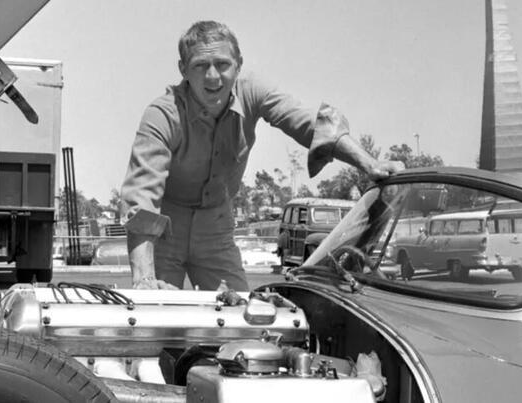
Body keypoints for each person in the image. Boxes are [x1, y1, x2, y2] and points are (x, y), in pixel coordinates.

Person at [121, 20, 403, 291]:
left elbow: (310, 124)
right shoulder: (161, 114)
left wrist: (369, 163)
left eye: (222, 64)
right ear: (183, 69)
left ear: (239, 64)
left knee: (239, 311)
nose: (212, 77)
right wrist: (144, 279)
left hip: (216, 230)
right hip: (164, 233)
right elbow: (142, 197)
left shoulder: (253, 91)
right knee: (158, 311)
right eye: (200, 66)